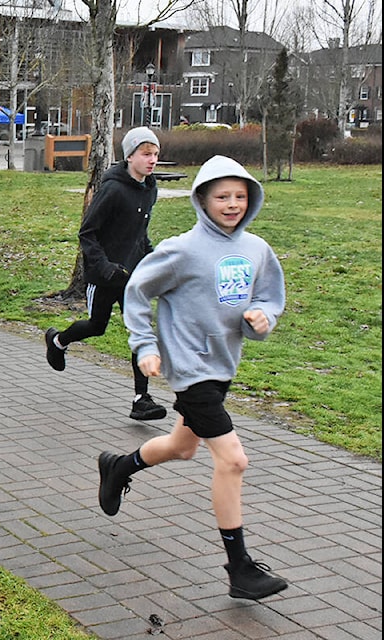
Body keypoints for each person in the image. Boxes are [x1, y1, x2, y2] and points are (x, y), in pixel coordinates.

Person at [98, 155, 287, 601]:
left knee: (183, 448)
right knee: (233, 460)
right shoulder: (182, 249)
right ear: (202, 199)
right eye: (222, 196)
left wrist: (263, 317)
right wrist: (144, 346)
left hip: (223, 365)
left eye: (240, 196)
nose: (233, 204)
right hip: (189, 369)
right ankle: (239, 568)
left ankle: (119, 466)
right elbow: (137, 290)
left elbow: (268, 294)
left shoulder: (257, 249)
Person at [44, 126, 166, 421]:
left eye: (156, 155)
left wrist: (150, 260)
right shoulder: (112, 188)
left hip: (132, 276)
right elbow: (87, 233)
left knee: (140, 332)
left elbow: (139, 233)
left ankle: (141, 399)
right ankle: (57, 341)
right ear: (130, 156)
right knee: (97, 326)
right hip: (104, 275)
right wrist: (104, 267)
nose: (152, 161)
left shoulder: (151, 188)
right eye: (146, 154)